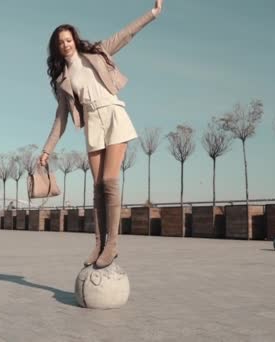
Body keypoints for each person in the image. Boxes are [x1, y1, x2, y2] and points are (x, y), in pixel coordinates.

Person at [39, 0, 163, 268]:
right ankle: (98, 243)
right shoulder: (63, 79)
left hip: (113, 114)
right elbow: (61, 118)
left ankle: (113, 244)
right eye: (60, 42)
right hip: (93, 123)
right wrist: (47, 150)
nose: (66, 44)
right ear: (56, 47)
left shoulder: (97, 52)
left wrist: (151, 14)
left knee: (109, 180)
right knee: (96, 187)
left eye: (68, 39)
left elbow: (125, 34)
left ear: (74, 39)